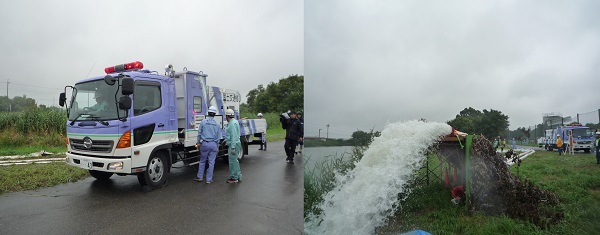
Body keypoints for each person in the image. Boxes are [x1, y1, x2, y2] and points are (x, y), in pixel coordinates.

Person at [193, 106, 221, 184]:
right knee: (211, 162)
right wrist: (217, 146)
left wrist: (198, 143)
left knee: (202, 161)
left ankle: (200, 177)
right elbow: (219, 137)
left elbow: (199, 134)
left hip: (204, 144)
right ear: (215, 114)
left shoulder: (203, 122)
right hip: (214, 144)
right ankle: (209, 179)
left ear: (208, 113)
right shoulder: (217, 124)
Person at [225, 109, 242, 183]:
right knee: (235, 161)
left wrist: (232, 147)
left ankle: (234, 178)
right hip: (235, 143)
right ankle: (238, 176)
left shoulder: (232, 123)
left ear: (227, 116)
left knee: (232, 161)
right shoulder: (234, 122)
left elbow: (234, 135)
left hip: (234, 145)